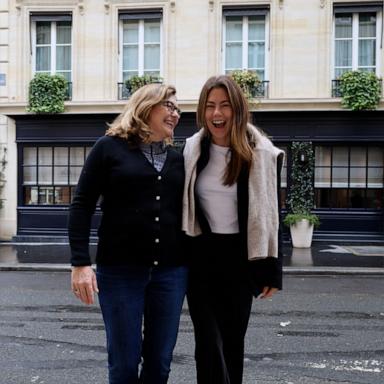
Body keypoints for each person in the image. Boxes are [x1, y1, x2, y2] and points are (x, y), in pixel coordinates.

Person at [68, 83, 188, 384]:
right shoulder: (108, 148)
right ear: (146, 106)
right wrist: (80, 263)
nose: (175, 114)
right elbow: (82, 204)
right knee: (124, 364)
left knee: (160, 363)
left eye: (178, 109)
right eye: (169, 106)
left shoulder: (179, 159)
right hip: (120, 272)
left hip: (170, 273)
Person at [182, 75, 284, 384]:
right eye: (210, 106)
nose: (217, 114)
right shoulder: (191, 150)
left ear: (237, 109)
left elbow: (270, 212)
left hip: (241, 260)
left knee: (232, 343)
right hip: (201, 257)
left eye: (225, 106)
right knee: (207, 344)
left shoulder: (261, 153)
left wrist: (272, 269)